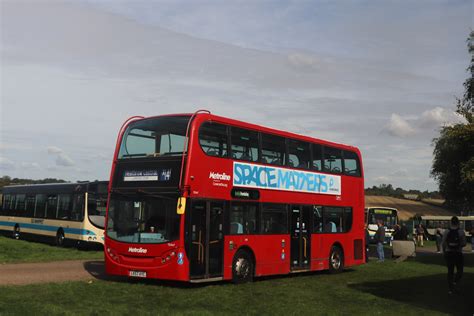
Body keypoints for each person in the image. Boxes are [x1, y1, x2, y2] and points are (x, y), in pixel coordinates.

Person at [442, 216, 467, 294]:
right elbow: (464, 243)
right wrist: (458, 245)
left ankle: (450, 289)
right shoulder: (461, 232)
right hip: (458, 253)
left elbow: (443, 243)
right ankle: (456, 282)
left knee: (450, 271)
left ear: (451, 222)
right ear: (458, 222)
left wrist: (444, 252)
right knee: (460, 270)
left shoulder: (446, 231)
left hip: (449, 253)